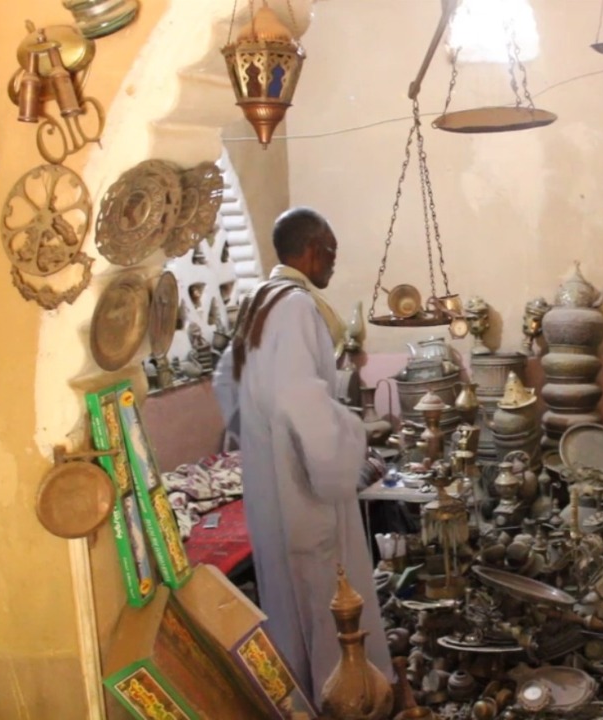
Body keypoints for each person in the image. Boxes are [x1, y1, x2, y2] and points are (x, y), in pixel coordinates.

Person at [212, 207, 393, 708]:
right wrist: (351, 436)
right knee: (326, 600)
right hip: (303, 484)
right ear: (312, 250)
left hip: (271, 474)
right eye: (331, 252)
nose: (333, 263)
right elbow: (299, 399)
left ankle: (302, 701)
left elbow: (226, 381)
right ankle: (346, 700)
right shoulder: (295, 306)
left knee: (287, 600)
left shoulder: (258, 301)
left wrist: (257, 437)